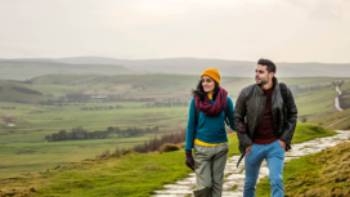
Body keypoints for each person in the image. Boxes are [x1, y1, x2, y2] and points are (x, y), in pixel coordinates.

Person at [234, 58, 298, 197]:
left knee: (276, 180)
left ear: (271, 74)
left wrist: (284, 139)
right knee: (249, 183)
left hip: (275, 145)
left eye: (261, 72)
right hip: (253, 146)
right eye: (256, 71)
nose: (257, 74)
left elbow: (293, 114)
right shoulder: (247, 93)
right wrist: (246, 142)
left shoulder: (283, 91)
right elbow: (237, 117)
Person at [185, 67, 235, 197]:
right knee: (205, 186)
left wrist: (248, 134)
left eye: (209, 80)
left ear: (216, 82)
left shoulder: (226, 100)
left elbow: (235, 123)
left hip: (221, 149)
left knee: (217, 185)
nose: (205, 83)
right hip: (201, 150)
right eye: (203, 81)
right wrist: (188, 152)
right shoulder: (195, 101)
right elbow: (191, 126)